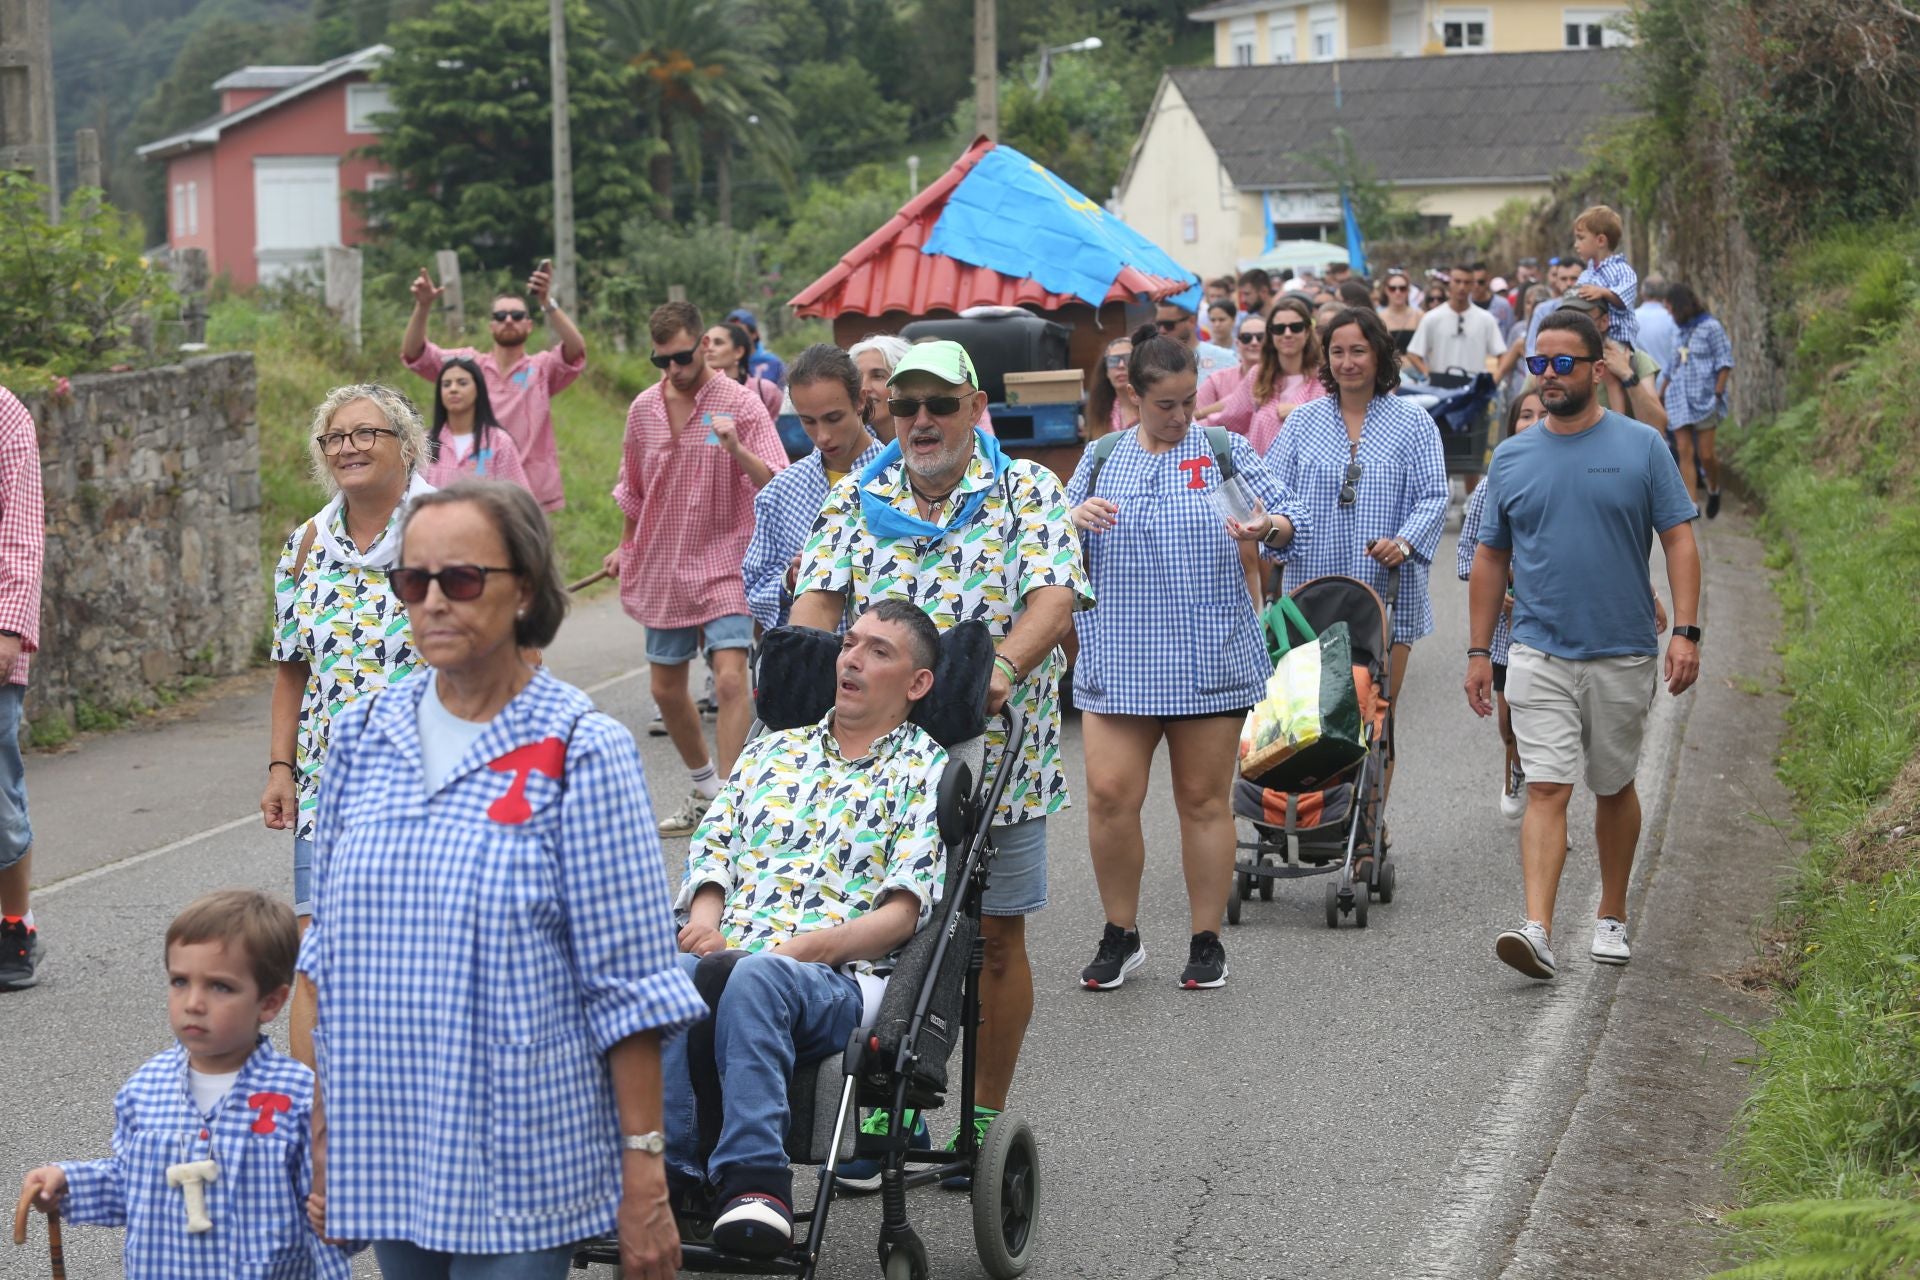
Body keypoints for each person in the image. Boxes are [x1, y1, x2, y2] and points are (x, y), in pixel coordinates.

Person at [302, 481, 707, 1279]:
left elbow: (628, 986)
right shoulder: (360, 738)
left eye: (459, 580)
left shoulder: (578, 749)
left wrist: (646, 1178)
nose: (431, 602)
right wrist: (323, 1135)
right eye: (411, 581)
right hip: (392, 1131)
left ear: (523, 588)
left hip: (524, 1145)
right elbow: (331, 961)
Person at [788, 339, 1088, 1180]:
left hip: (995, 760)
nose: (922, 421)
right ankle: (882, 1115)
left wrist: (995, 671)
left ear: (973, 409)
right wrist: (797, 675)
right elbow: (816, 602)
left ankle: (981, 1122)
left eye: (939, 406)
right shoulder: (856, 498)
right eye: (907, 406)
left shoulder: (1025, 488)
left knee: (994, 937)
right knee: (882, 930)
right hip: (879, 767)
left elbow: (1055, 598)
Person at [667, 602, 947, 1250]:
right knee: (663, 976)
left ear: (917, 684)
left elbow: (903, 912)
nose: (852, 657)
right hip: (731, 952)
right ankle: (670, 1178)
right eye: (850, 643)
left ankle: (754, 1182)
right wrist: (706, 924)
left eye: (879, 650)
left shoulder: (924, 770)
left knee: (760, 976)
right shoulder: (772, 750)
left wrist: (797, 952)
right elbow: (714, 850)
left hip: (836, 977)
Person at [1066, 334, 1308, 991]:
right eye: (1164, 405)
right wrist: (1073, 520)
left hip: (1209, 654)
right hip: (1119, 655)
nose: (1179, 417)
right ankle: (1121, 933)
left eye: (1187, 403)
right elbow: (1049, 541)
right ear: (1133, 397)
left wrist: (1269, 528)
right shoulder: (1100, 458)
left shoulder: (1223, 453)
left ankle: (1206, 941)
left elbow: (1291, 515)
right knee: (1110, 796)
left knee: (1202, 801)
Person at [1467, 308, 1701, 981]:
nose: (1547, 375)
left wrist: (1685, 631)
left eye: (1563, 363)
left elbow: (1680, 538)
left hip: (1623, 648)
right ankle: (1536, 928)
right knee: (1546, 785)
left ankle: (1612, 913)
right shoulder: (1511, 457)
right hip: (1539, 649)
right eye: (1539, 363)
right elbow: (1488, 557)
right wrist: (1479, 651)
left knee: (1613, 783)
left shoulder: (1641, 447)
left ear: (1597, 370)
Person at [19, 890, 352, 1278]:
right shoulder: (144, 1090)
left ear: (270, 1003)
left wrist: (343, 1219)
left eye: (220, 987)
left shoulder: (299, 1097)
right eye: (180, 981)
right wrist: (68, 1184)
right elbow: (132, 1186)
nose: (194, 1002)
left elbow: (332, 1208)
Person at [261, 384, 431, 1068]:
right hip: (329, 785)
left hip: (430, 781)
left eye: (367, 434)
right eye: (336, 438)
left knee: (418, 953)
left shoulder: (444, 530)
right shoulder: (305, 546)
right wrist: (280, 769)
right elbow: (291, 671)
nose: (350, 448)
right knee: (317, 953)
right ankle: (314, 1126)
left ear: (406, 445)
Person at [604, 301, 788, 837]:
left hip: (726, 558)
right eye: (661, 361)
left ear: (703, 346)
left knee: (731, 679)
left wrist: (734, 447)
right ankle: (705, 788)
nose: (673, 371)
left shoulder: (740, 405)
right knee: (665, 689)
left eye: (681, 358)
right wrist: (625, 546)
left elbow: (774, 480)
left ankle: (729, 802)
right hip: (663, 559)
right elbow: (632, 490)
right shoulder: (642, 409)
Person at [1263, 308, 1448, 755]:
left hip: (1385, 591)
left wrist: (1404, 541)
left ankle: (1368, 820)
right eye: (1337, 351)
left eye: (1358, 351)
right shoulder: (1303, 423)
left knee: (1376, 715)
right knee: (1310, 718)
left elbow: (1434, 496)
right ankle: (1315, 815)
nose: (1347, 362)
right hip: (1312, 590)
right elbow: (1270, 493)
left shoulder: (1414, 422)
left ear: (1380, 354)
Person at [402, 262, 584, 512]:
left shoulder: (541, 369)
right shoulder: (467, 365)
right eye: (500, 316)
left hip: (528, 488)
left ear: (529, 325)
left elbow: (576, 351)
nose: (508, 320)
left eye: (517, 315)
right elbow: (416, 354)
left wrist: (546, 302)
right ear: (491, 326)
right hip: (473, 482)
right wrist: (423, 307)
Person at [741, 344, 884, 632]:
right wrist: (789, 580)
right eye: (808, 421)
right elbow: (755, 586)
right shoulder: (781, 491)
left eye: (834, 418)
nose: (823, 435)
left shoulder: (903, 478)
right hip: (810, 661)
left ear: (860, 400)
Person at [1458, 391, 1544, 822]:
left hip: (1555, 626)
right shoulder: (1493, 484)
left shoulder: (1573, 474)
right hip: (1504, 632)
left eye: (1543, 414)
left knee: (1551, 718)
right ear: (1511, 426)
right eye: (1524, 415)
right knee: (1510, 716)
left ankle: (1551, 805)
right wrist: (1500, 594)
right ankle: (1516, 767)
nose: (1533, 422)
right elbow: (1466, 559)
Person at [0, 386, 43, 992]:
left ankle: (15, 923)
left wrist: (9, 628)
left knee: (0, 800)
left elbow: (22, 534)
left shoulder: (5, 415)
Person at [1662, 283, 1735, 518]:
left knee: (1706, 454)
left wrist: (1717, 392)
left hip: (1704, 399)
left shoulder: (1711, 327)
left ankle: (1714, 488)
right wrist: (1660, 392)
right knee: (1684, 450)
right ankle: (1690, 504)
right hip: (1679, 397)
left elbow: (1724, 361)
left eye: (1671, 308)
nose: (1669, 314)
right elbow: (1672, 365)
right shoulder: (1677, 331)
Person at [420, 356, 533, 491]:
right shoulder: (424, 443)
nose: (453, 389)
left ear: (478, 389)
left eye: (462, 383)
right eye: (446, 384)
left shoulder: (499, 443)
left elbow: (518, 499)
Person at [1234, 296, 1329, 454]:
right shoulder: (1257, 375)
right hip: (1261, 473)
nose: (1287, 333)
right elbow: (1231, 416)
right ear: (1271, 334)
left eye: (1295, 327)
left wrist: (1302, 413)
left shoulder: (1325, 378)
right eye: (1279, 328)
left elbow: (1341, 423)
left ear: (1307, 332)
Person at [1405, 265, 1508, 384]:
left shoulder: (1486, 319)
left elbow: (1502, 354)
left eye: (1467, 282)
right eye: (1457, 281)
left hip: (1473, 387)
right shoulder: (1432, 318)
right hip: (1441, 388)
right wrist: (1429, 376)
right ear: (1449, 283)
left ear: (1472, 285)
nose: (1462, 287)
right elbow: (1413, 353)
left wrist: (1494, 382)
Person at [1571, 204, 1640, 347]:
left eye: (1581, 238)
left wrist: (1603, 292)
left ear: (1601, 240)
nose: (1576, 245)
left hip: (1617, 342)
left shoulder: (1622, 270)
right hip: (1591, 340)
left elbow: (1624, 297)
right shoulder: (1585, 274)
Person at [706, 321, 785, 420]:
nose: (709, 348)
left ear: (738, 352)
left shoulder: (765, 390)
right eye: (706, 343)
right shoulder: (696, 392)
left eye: (718, 343)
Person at [1197, 310, 1263, 423]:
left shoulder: (1281, 378)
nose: (1254, 342)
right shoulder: (1217, 380)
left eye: (1261, 337)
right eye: (1246, 338)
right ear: (1237, 343)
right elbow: (1194, 416)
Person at [1156, 298, 1237, 380]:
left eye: (1169, 325)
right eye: (1158, 324)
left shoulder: (1225, 358)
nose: (1162, 330)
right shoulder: (1155, 362)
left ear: (1192, 321)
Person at [1086, 332, 1139, 437]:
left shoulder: (1152, 409)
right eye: (1113, 360)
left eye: (1128, 358)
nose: (1121, 365)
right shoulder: (1101, 413)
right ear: (1106, 371)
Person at [726, 309, 787, 385]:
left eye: (740, 332)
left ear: (754, 334)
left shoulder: (773, 363)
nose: (735, 338)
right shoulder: (724, 365)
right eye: (731, 334)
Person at [1635, 276, 1678, 374]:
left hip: (1640, 382)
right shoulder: (1672, 319)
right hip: (1666, 381)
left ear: (1642, 293)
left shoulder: (1633, 318)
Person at [1377, 270, 1421, 351]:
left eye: (1402, 288)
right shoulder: (1378, 319)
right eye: (1392, 288)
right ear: (1386, 290)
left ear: (1408, 290)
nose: (1398, 292)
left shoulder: (1419, 316)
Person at [1472, 262, 1515, 332]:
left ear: (1488, 280)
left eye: (1481, 282)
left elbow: (1511, 333)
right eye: (1473, 282)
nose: (1476, 286)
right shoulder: (1464, 306)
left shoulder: (1504, 305)